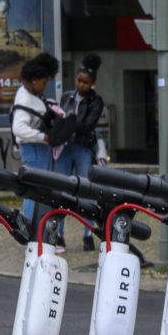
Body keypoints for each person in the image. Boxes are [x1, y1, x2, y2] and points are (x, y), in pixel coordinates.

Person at [54, 54, 105, 251]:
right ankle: (58, 235)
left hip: (83, 147)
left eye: (86, 82)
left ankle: (88, 234)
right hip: (65, 148)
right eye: (79, 80)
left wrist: (71, 122)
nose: (81, 85)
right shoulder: (67, 96)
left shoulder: (95, 101)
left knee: (85, 191)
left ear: (92, 83)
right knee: (60, 189)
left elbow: (88, 125)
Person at [11, 53, 64, 228]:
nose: (45, 85)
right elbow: (18, 128)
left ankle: (37, 230)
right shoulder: (25, 98)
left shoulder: (27, 92)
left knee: (39, 191)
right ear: (34, 80)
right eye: (43, 82)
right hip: (34, 149)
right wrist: (43, 136)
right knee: (35, 192)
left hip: (38, 149)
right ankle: (32, 230)